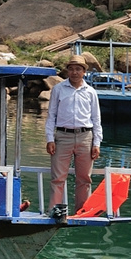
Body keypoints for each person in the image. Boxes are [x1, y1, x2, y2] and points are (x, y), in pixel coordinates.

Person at [45, 54, 102, 218]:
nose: (75, 72)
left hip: (85, 137)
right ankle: (55, 212)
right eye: (71, 69)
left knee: (84, 178)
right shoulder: (58, 89)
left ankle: (82, 212)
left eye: (78, 69)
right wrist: (50, 139)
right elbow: (51, 116)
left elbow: (96, 119)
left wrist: (96, 142)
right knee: (57, 178)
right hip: (62, 136)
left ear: (84, 71)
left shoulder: (90, 92)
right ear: (67, 71)